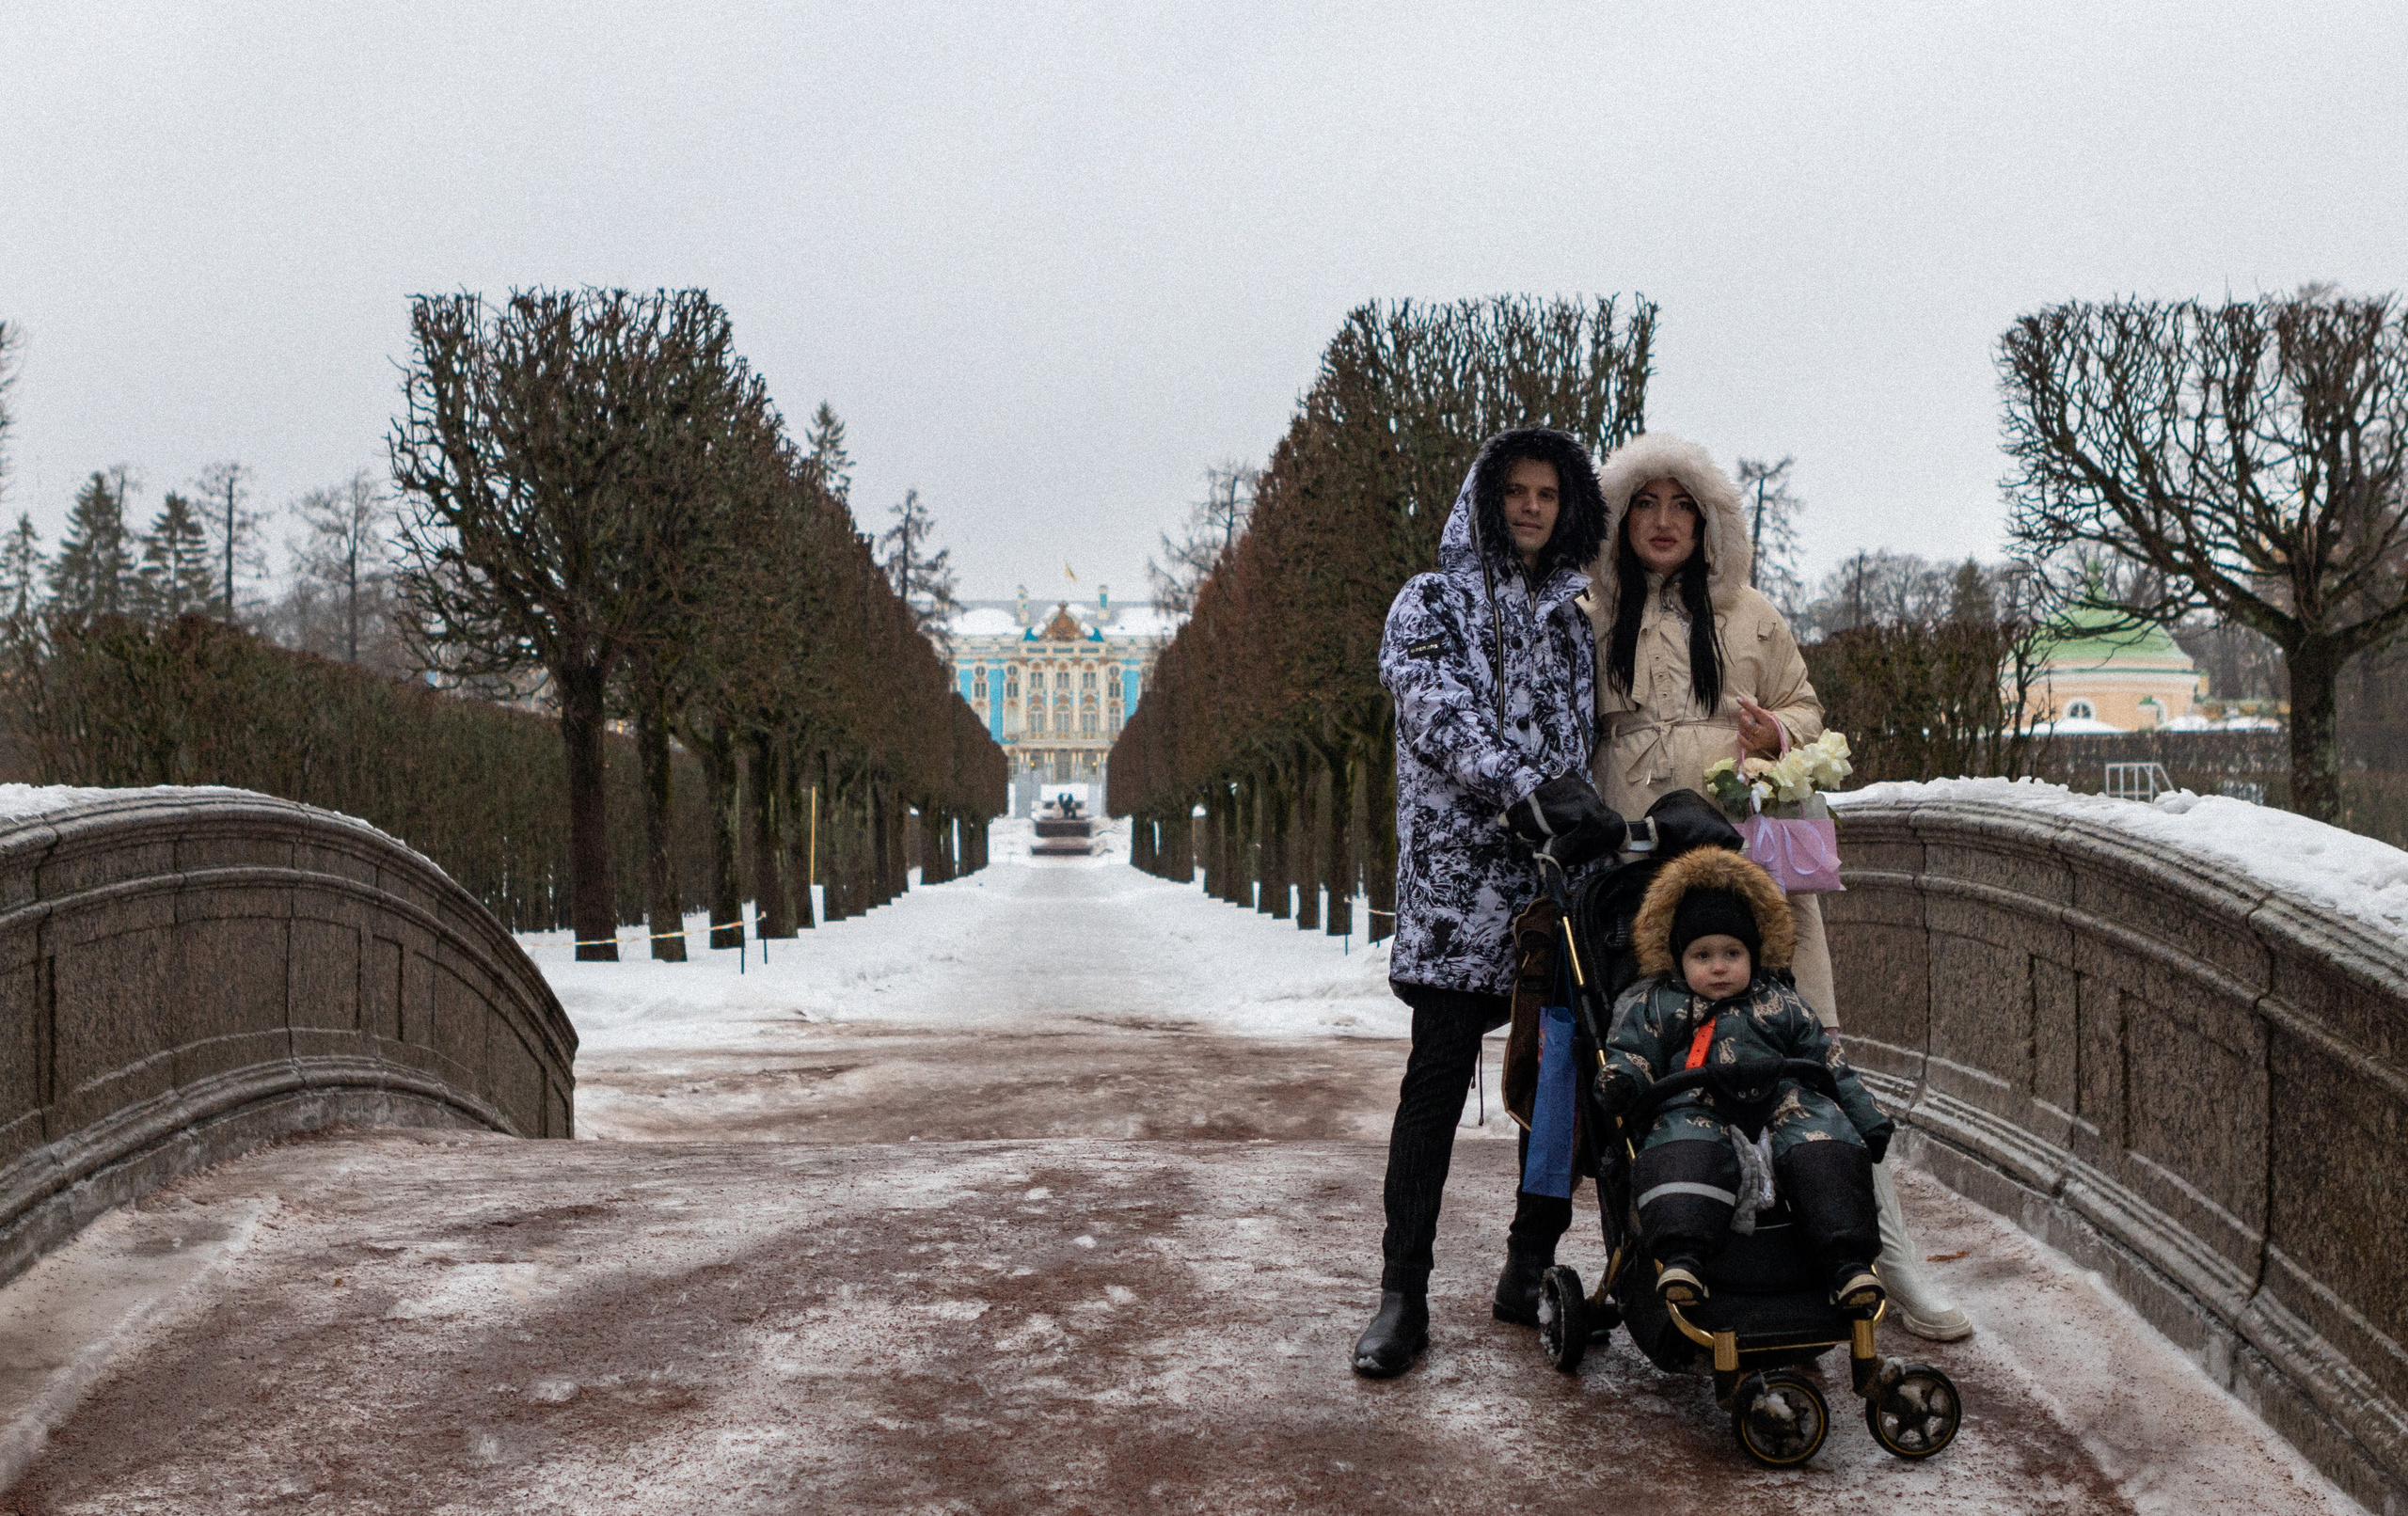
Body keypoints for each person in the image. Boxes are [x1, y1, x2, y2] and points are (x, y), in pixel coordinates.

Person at [1580, 432, 1972, 1341]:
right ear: (1621, 518)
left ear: (1710, 520)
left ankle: (1886, 1255)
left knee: (1812, 1054)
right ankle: (1656, 1257)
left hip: (1753, 872)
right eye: (1646, 504)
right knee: (1646, 1061)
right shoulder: (1588, 617)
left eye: (1683, 505)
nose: (1665, 522)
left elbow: (1806, 710)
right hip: (1635, 877)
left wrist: (1777, 735)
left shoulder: (1753, 615)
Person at [1353, 427, 1624, 1379]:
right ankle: (1402, 1294)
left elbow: (1584, 738)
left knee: (1557, 1085)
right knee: (1434, 1086)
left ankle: (1526, 1264)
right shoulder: (1428, 600)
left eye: (1548, 493)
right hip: (1457, 890)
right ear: (1485, 498)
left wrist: (1583, 816)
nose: (1531, 507)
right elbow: (1439, 716)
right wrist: (1532, 792)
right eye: (1516, 491)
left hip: (1549, 890)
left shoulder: (1573, 618)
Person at [1595, 845, 1893, 1312]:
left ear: (1754, 955)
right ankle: (1684, 1256)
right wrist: (1623, 1080)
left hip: (1783, 1100)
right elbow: (1633, 1053)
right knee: (1682, 1145)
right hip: (1695, 1100)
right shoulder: (1660, 1005)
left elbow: (1829, 1062)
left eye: (1732, 953)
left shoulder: (1780, 1002)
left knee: (1823, 1138)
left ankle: (1848, 1261)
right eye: (1702, 955)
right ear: (1678, 959)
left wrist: (1866, 1118)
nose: (1718, 967)